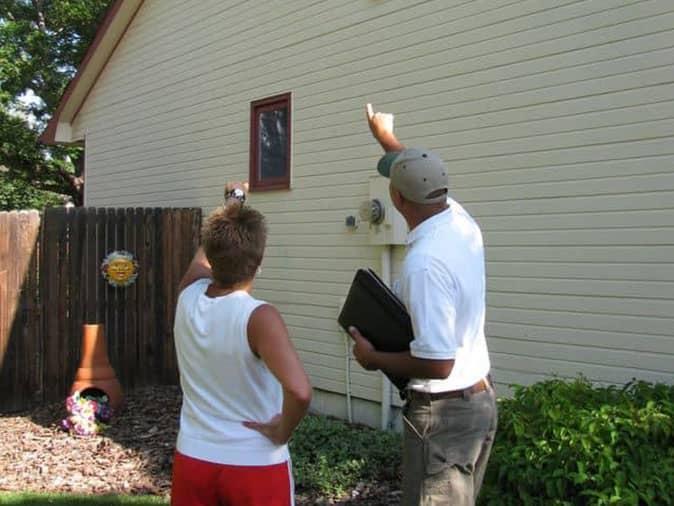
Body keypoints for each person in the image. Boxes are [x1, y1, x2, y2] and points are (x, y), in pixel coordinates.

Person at [348, 104, 497, 506]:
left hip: (444, 417)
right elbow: (417, 168)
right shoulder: (459, 220)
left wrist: (374, 356)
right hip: (478, 402)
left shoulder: (424, 264)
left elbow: (438, 362)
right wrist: (384, 137)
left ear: (396, 198)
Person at [171, 184, 312, 506]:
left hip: (193, 457)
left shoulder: (188, 295)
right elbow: (300, 392)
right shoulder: (259, 316)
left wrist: (232, 203)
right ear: (259, 261)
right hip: (254, 463)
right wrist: (282, 432)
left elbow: (204, 256)